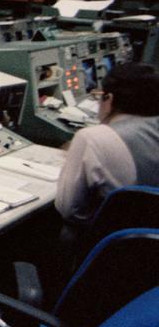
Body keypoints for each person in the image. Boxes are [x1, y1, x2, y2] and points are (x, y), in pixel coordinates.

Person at [55, 62, 159, 228]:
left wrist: (80, 156)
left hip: (118, 244)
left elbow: (69, 210)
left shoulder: (91, 138)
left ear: (109, 99)